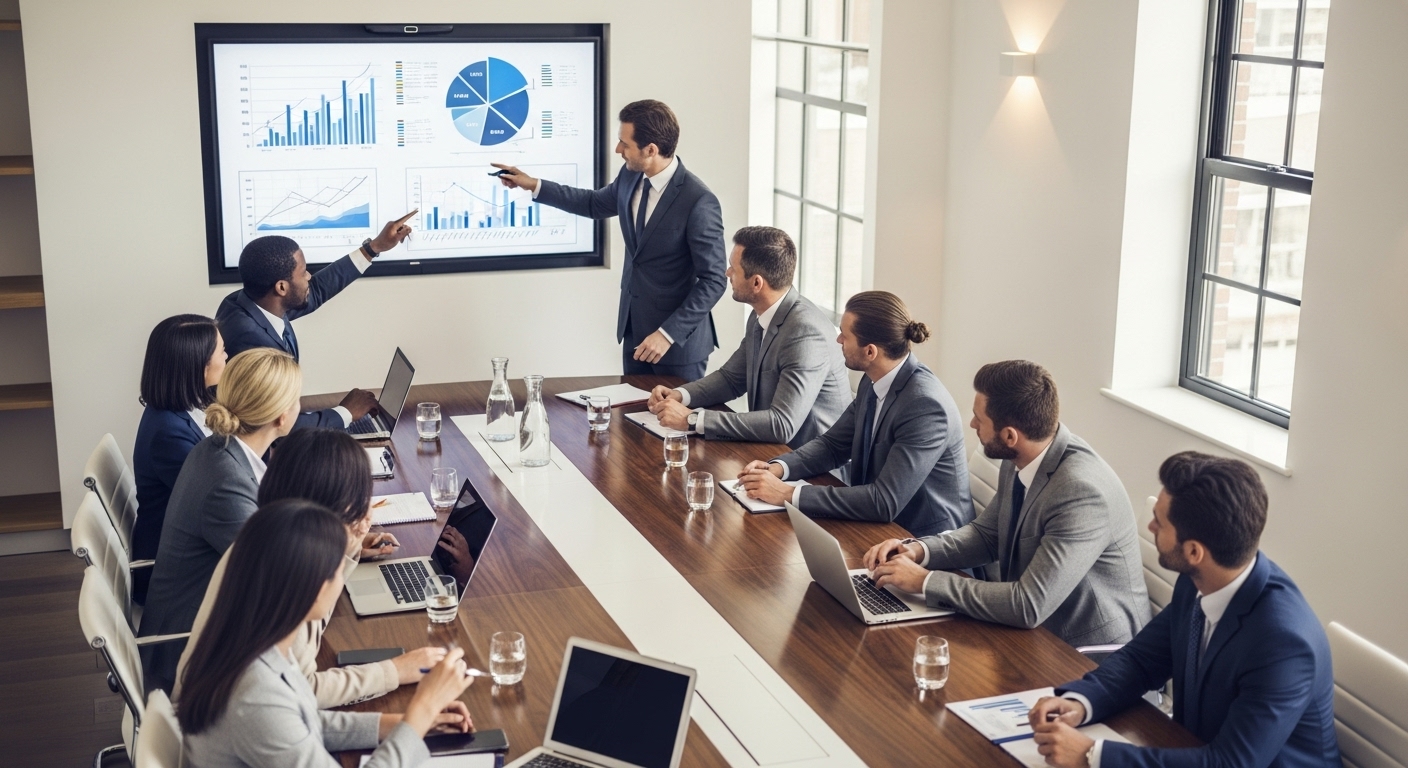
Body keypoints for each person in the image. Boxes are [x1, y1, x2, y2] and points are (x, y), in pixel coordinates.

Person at [1028, 452, 1340, 768]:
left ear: (1194, 552)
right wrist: (1081, 702)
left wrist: (1091, 755)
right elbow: (1142, 660)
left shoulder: (1284, 643)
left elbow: (1231, 764)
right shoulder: (1198, 581)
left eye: (1159, 522)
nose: (1149, 525)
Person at [864, 361, 1149, 647]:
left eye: (979, 419)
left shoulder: (1081, 493)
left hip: (1087, 653)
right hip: (1034, 631)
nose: (972, 423)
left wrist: (925, 582)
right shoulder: (1023, 456)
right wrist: (917, 550)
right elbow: (987, 534)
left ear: (1010, 435)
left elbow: (1028, 604)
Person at [179, 499, 474, 768]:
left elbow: (305, 721)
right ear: (314, 587)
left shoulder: (256, 645)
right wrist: (423, 707)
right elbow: (279, 717)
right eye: (338, 569)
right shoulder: (256, 696)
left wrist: (409, 724)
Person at [173, 428, 446, 708]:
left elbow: (317, 620)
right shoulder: (287, 572)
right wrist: (394, 671)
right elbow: (304, 692)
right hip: (234, 726)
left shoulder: (266, 535)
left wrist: (349, 545)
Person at [492, 99, 726, 381]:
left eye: (624, 144)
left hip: (678, 347)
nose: (618, 150)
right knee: (632, 422)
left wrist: (667, 334)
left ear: (651, 149)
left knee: (673, 425)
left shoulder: (698, 201)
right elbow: (592, 204)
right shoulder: (631, 177)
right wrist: (534, 184)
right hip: (634, 334)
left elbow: (714, 280)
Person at [736, 291, 972, 537]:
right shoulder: (874, 379)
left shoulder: (925, 406)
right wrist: (778, 468)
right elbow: (833, 445)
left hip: (926, 542)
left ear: (870, 352)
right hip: (879, 529)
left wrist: (786, 494)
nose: (838, 340)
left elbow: (883, 501)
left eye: (845, 335)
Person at [139, 347, 303, 691]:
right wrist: (343, 547)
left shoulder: (218, 448)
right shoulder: (225, 481)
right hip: (188, 657)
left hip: (198, 624)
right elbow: (277, 576)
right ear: (281, 417)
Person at [646, 226, 849, 449]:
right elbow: (731, 379)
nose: (727, 273)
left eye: (734, 268)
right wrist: (680, 395)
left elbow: (782, 424)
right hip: (772, 453)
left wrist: (692, 420)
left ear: (756, 283)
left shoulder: (806, 333)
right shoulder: (760, 314)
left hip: (813, 468)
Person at [214, 213, 412, 430]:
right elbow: (273, 425)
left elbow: (317, 289)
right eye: (303, 273)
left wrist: (373, 248)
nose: (309, 277)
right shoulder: (250, 339)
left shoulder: (247, 303)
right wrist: (345, 412)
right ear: (281, 287)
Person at [131, 314, 226, 604]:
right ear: (198, 365)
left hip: (189, 548)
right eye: (221, 350)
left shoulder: (187, 408)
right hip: (177, 577)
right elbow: (217, 503)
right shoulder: (168, 435)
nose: (227, 356)